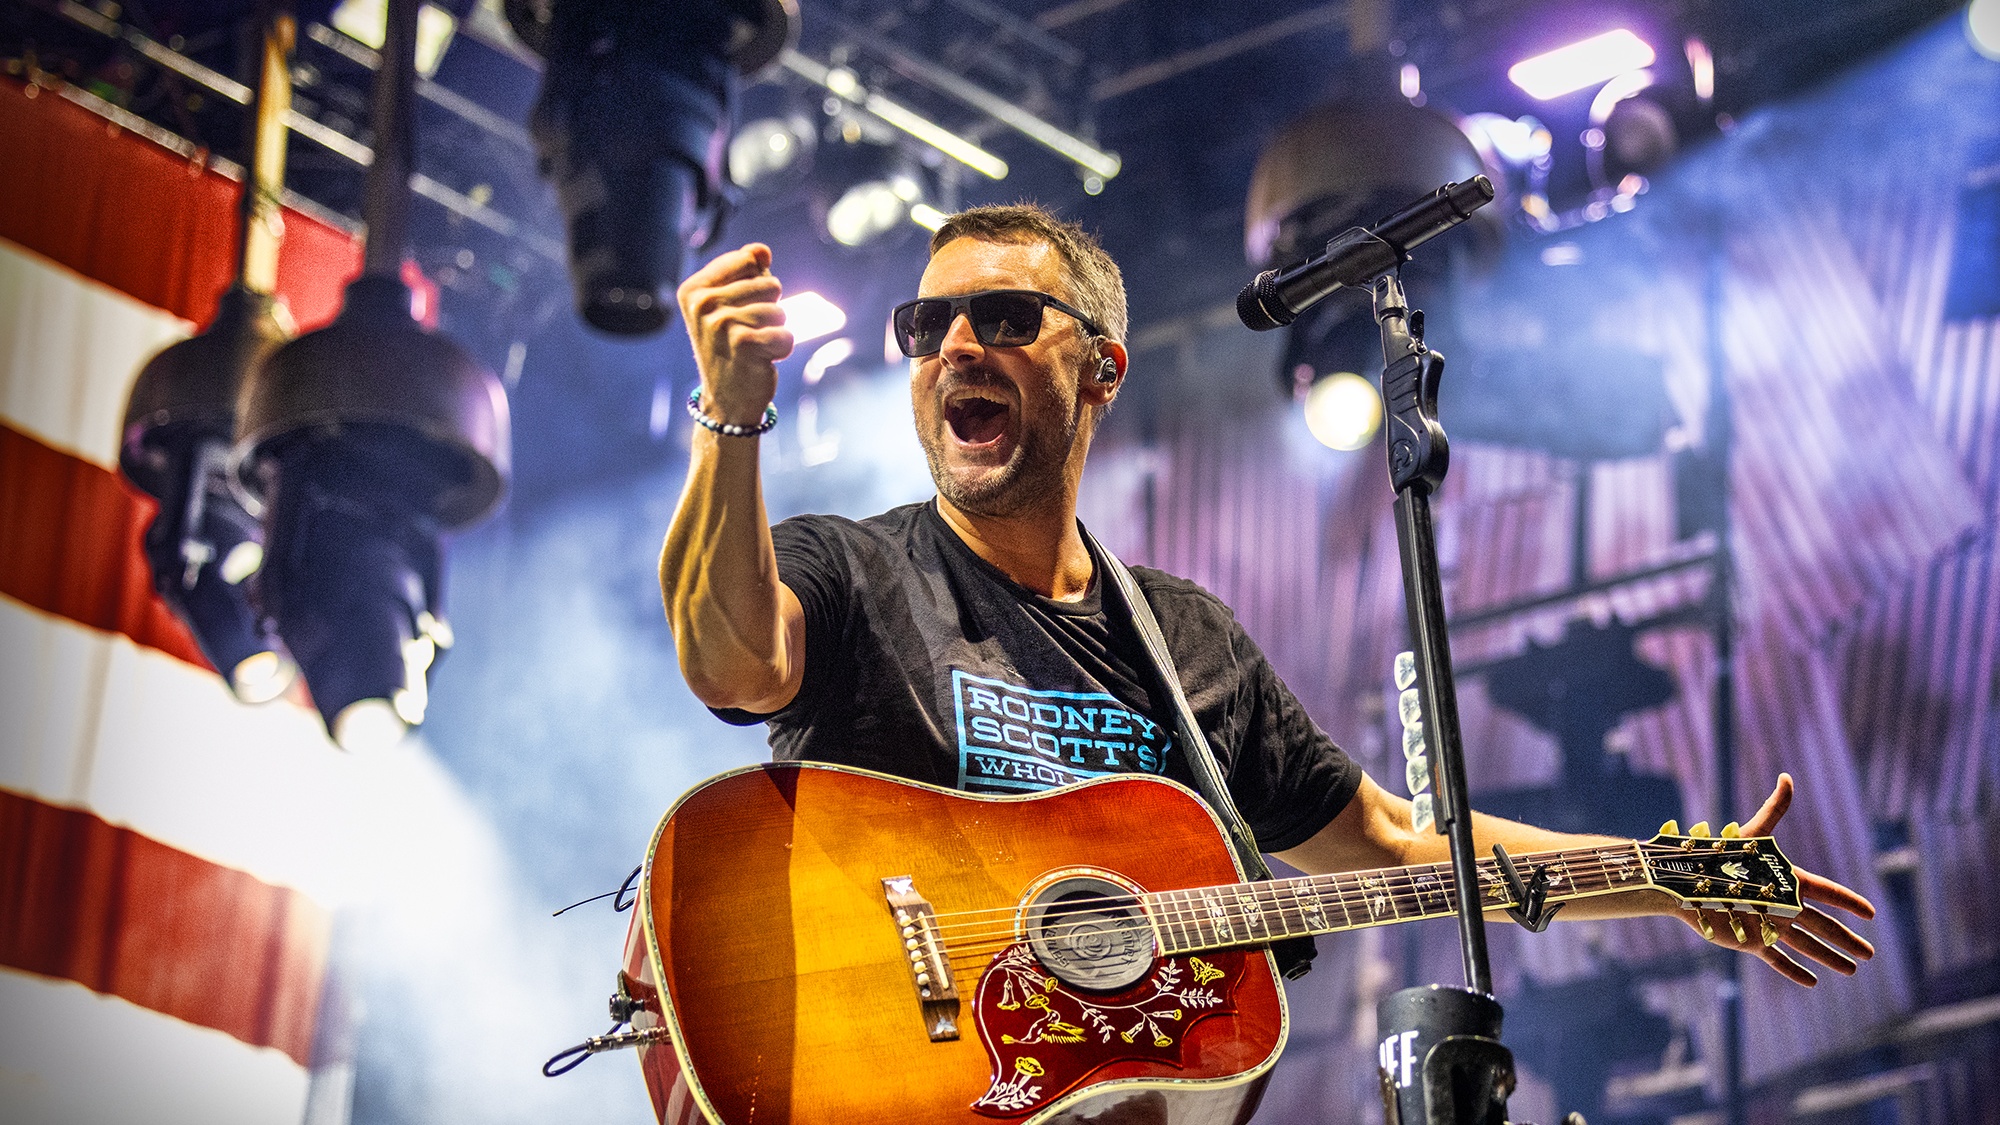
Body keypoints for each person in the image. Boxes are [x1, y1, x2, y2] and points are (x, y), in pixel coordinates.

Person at [658, 203, 1874, 995]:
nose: (956, 345)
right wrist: (730, 417)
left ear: (1099, 370)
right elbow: (729, 666)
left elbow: (1402, 844)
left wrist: (1656, 873)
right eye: (927, 324)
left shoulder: (1183, 643)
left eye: (1006, 316)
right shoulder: (851, 569)